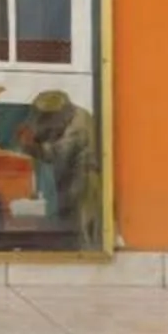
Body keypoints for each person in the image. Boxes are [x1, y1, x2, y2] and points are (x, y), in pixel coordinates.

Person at [15, 89, 100, 229]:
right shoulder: (63, 118)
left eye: (47, 117)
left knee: (81, 225)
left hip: (84, 180)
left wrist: (31, 146)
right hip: (67, 180)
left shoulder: (79, 124)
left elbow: (57, 154)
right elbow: (38, 130)